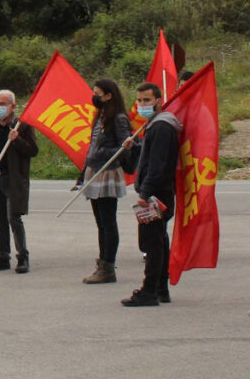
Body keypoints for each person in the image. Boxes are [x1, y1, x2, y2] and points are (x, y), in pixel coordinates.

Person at [121, 83, 181, 307]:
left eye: (147, 100)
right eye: (139, 101)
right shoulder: (154, 126)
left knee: (151, 243)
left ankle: (149, 291)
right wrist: (135, 147)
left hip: (157, 193)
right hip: (159, 190)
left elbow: (157, 166)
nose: (142, 105)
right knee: (159, 240)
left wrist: (145, 193)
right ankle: (160, 288)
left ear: (158, 100)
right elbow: (149, 155)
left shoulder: (162, 127)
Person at [77, 79, 132, 284]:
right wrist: (83, 174)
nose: (94, 97)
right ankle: (102, 264)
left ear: (109, 95)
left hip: (107, 173)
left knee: (108, 222)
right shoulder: (100, 116)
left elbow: (125, 146)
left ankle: (108, 266)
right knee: (100, 223)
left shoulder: (118, 118)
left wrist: (103, 152)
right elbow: (92, 146)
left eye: (98, 93)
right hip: (94, 171)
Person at [0, 90, 39, 274]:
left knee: (14, 218)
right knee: (0, 220)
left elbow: (33, 151)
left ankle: (22, 257)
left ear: (12, 106)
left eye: (3, 104)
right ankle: (3, 256)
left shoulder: (22, 126)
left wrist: (17, 140)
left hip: (12, 179)